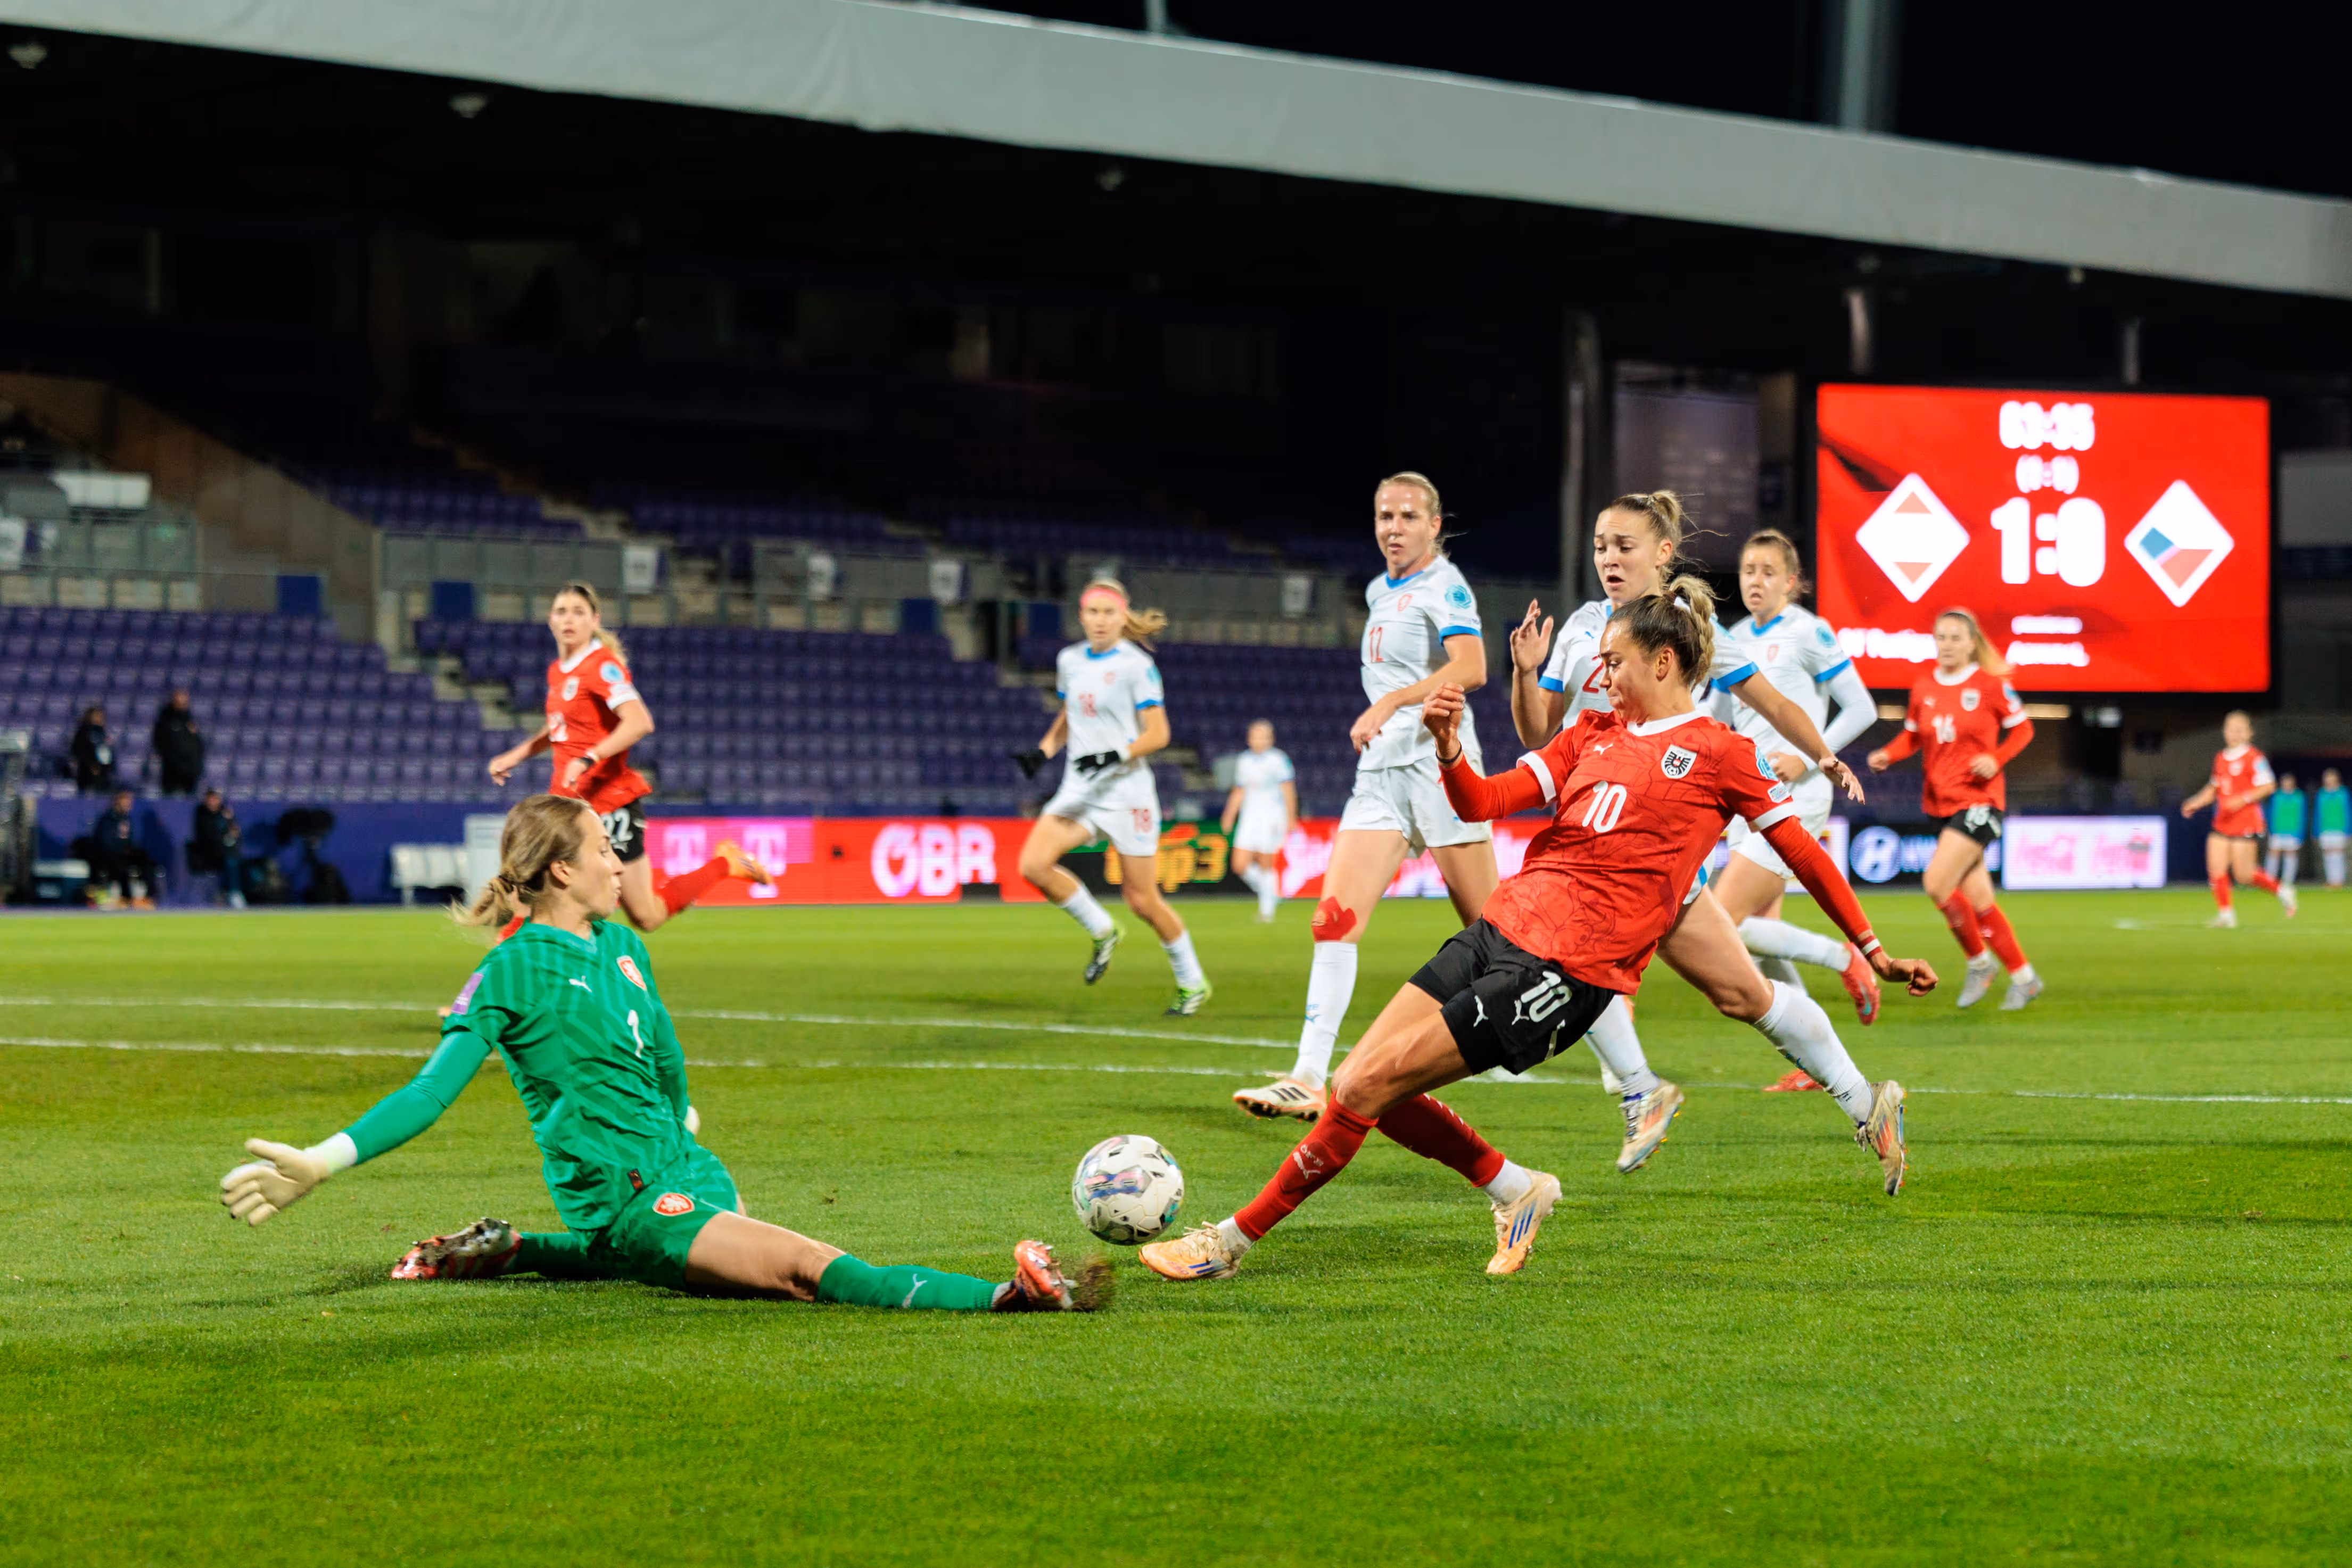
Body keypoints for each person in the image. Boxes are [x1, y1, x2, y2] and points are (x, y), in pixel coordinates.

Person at [1138, 584, 1935, 1284]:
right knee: (1354, 1083)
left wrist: (1871, 948)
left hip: (1562, 973)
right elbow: (1485, 800)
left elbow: (1801, 850)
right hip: (1498, 930)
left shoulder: (1722, 754)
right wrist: (1450, 750)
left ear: (1662, 662)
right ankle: (1515, 1186)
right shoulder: (1589, 733)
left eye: (1615, 661)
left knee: (1364, 1089)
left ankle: (1230, 1239)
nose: (1603, 675)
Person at [218, 793, 1105, 1314]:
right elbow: (428, 1092)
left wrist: (680, 1111)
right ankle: (1006, 1297)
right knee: (803, 1267)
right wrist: (323, 1160)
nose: (619, 862)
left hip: (685, 1165)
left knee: (721, 1255)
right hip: (629, 1194)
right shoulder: (512, 970)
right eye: (604, 849)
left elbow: (668, 1049)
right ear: (560, 872)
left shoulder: (622, 946)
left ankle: (515, 1246)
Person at [1502, 491, 1875, 1115]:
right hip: (1591, 824)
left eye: (1625, 546)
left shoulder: (1686, 629)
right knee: (1742, 996)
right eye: (1600, 547)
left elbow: (1776, 706)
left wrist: (1822, 755)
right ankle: (1863, 1096)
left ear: (1663, 553)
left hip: (1655, 833)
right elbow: (1537, 733)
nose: (1609, 559)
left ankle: (1639, 1088)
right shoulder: (1579, 628)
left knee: (1575, 951)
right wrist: (1523, 672)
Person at [1234, 473, 1496, 1124]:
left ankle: (1627, 1071)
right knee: (1333, 918)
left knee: (1501, 937)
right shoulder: (1383, 588)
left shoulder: (1446, 584)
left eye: (1409, 516)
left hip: (1439, 767)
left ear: (1435, 525)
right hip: (1381, 773)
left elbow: (1473, 666)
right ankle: (1306, 1075)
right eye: (1385, 515)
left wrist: (1392, 701)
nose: (1394, 527)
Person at [487, 580, 768, 933]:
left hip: (608, 802)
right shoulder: (558, 671)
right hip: (568, 803)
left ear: (595, 620)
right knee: (530, 896)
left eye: (579, 612)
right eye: (562, 612)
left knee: (645, 916)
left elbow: (639, 721)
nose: (569, 619)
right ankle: (512, 975)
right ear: (550, 620)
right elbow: (560, 727)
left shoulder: (602, 667)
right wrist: (517, 754)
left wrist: (590, 758)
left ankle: (724, 864)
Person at [1706, 531, 1883, 1042]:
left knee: (1721, 921)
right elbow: (1713, 718)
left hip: (1794, 794)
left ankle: (1844, 956)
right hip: (1746, 797)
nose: (1755, 581)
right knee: (1757, 944)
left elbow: (1861, 708)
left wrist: (1806, 758)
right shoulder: (1732, 637)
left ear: (1790, 581)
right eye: (1747, 571)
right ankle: (1813, 1050)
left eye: (1767, 572)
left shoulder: (1809, 632)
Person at [1012, 578, 1211, 1015]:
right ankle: (1102, 929)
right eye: (1093, 612)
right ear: (1081, 616)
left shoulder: (1135, 666)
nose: (1100, 621)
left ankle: (1192, 983)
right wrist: (1043, 750)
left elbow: (1159, 734)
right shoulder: (1069, 660)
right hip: (1080, 789)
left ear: (1123, 618)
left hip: (1127, 794)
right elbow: (1070, 713)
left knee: (1142, 901)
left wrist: (1114, 754)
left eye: (1109, 613)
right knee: (1032, 865)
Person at [1866, 609, 2042, 1005]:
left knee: (1936, 883)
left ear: (1970, 643)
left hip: (1980, 801)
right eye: (1940, 637)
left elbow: (2024, 729)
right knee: (1979, 901)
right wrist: (1887, 756)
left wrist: (1995, 759)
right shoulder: (1924, 686)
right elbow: (1912, 738)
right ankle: (2025, 977)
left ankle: (1979, 964)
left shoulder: (1989, 685)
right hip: (1941, 802)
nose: (1946, 644)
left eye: (1955, 637)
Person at [2179, 711, 2295, 928]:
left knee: (2243, 875)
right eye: (2230, 728)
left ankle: (2281, 890)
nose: (2234, 733)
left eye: (2240, 729)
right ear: (2224, 731)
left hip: (2246, 821)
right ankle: (2226, 915)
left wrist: (2242, 799)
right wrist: (2195, 802)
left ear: (2249, 733)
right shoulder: (2221, 758)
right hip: (2223, 820)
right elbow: (2214, 788)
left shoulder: (2254, 758)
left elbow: (2269, 786)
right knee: (2216, 867)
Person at [1221, 719, 1298, 923]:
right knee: (1239, 865)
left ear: (1271, 739)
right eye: (1256, 736)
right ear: (1249, 739)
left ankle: (1267, 911)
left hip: (1271, 817)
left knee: (1266, 863)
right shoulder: (1244, 761)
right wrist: (1229, 815)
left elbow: (1288, 791)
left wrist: (1291, 818)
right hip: (1249, 818)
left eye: (1263, 736)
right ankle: (1272, 893)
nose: (1259, 740)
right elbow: (1239, 790)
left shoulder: (1279, 760)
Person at [86, 788, 156, 908]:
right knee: (119, 865)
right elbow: (105, 843)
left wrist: (129, 848)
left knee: (146, 860)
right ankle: (125, 897)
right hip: (109, 855)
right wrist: (122, 848)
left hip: (124, 853)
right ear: (117, 802)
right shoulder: (107, 820)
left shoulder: (127, 819)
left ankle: (147, 897)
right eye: (126, 802)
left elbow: (130, 841)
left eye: (130, 803)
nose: (129, 805)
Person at [187, 787, 246, 907]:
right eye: (211, 799)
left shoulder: (225, 813)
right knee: (230, 860)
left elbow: (234, 833)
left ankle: (233, 892)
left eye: (216, 799)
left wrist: (230, 821)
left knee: (235, 860)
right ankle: (232, 893)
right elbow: (207, 837)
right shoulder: (202, 814)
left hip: (226, 852)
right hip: (207, 854)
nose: (213, 802)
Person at [151, 687, 205, 797]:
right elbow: (159, 743)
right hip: (172, 772)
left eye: (184, 702)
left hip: (190, 772)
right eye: (179, 702)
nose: (182, 705)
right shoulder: (165, 720)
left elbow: (198, 745)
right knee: (170, 800)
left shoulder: (190, 721)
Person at [2266, 773, 2306, 888]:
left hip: (2293, 831)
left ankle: (2288, 881)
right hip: (2277, 830)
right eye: (2285, 781)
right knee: (2274, 853)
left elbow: (2302, 815)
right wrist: (2270, 829)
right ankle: (2270, 880)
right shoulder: (2276, 796)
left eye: (2289, 781)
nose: (2287, 784)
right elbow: (2271, 813)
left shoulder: (2299, 796)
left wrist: (2301, 833)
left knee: (2291, 855)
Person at [69, 704, 115, 795]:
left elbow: (105, 753)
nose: (100, 718)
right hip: (87, 773)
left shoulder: (102, 732)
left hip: (102, 773)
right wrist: (91, 764)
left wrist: (105, 766)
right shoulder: (83, 731)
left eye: (101, 716)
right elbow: (77, 751)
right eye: (97, 715)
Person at [2317, 768, 2349, 890]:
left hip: (2339, 828)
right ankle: (2331, 880)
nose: (2329, 780)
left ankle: (2339, 880)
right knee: (2328, 856)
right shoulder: (2322, 794)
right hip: (2325, 829)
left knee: (2338, 855)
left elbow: (2347, 811)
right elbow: (2318, 813)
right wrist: (2317, 830)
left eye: (2332, 777)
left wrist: (2348, 829)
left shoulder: (2343, 793)